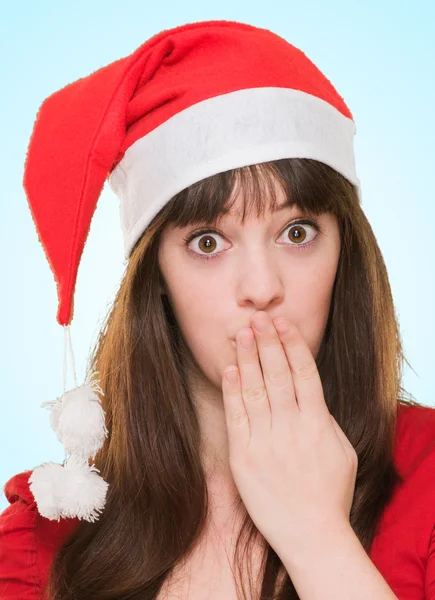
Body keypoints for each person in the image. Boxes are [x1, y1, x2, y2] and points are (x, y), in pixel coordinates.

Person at [0, 17, 434, 600]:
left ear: (345, 250)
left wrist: (318, 538)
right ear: (157, 276)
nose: (261, 286)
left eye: (297, 232)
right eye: (208, 242)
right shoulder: (39, 547)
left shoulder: (428, 481)